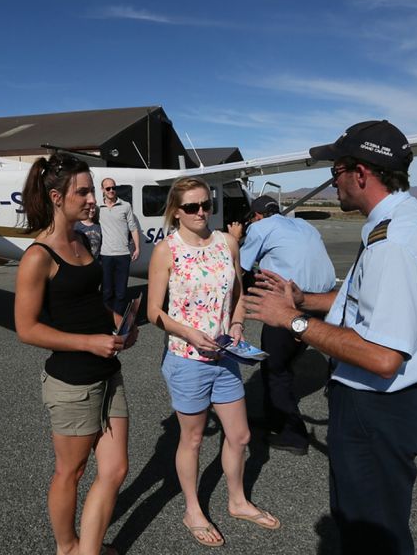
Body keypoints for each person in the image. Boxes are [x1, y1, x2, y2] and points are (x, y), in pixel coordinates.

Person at [245, 120, 417, 555]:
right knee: (374, 529)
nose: (334, 186)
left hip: (375, 407)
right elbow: (367, 304)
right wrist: (304, 299)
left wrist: (291, 320)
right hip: (385, 409)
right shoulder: (407, 225)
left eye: (337, 173)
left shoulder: (394, 245)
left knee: (371, 538)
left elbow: (384, 356)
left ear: (361, 173)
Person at [14, 154, 138, 555]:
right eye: (83, 191)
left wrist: (119, 319)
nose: (92, 199)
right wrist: (89, 342)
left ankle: (89, 549)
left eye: (92, 190)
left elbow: (90, 300)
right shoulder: (38, 256)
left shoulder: (83, 239)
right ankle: (67, 547)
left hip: (108, 370)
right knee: (72, 471)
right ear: (56, 196)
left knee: (116, 468)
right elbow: (26, 329)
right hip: (72, 384)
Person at [147, 176, 280, 548]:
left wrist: (237, 322)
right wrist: (188, 333)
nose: (201, 212)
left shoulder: (227, 242)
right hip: (187, 358)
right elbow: (153, 311)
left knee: (240, 435)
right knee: (191, 439)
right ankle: (192, 509)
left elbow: (237, 291)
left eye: (206, 204)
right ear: (176, 211)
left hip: (225, 357)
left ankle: (237, 501)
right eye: (192, 207)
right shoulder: (166, 250)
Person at [230, 195, 336, 455]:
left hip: (288, 305)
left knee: (276, 370)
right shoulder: (304, 225)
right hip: (320, 303)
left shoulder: (260, 228)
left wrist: (233, 238)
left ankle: (294, 435)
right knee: (282, 364)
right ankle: (275, 418)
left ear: (256, 216)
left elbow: (238, 265)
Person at [99, 178, 141, 316]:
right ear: (102, 190)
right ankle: (106, 319)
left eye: (113, 188)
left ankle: (118, 320)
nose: (111, 191)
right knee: (106, 291)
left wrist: (137, 247)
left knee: (121, 292)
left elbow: (133, 228)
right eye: (108, 188)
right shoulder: (98, 208)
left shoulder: (126, 206)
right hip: (105, 255)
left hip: (123, 255)